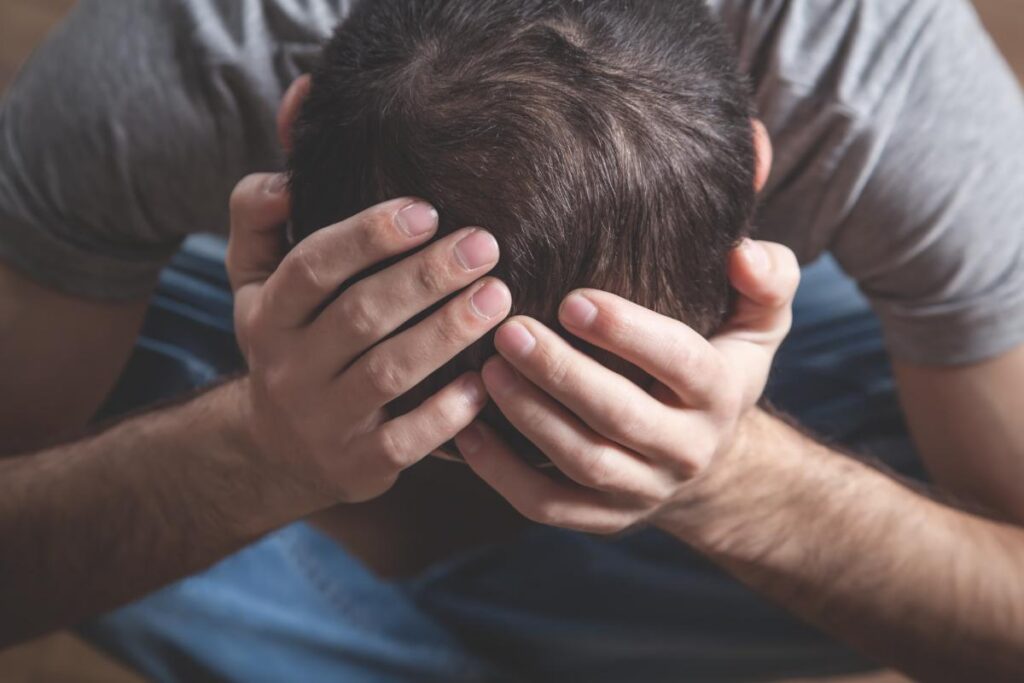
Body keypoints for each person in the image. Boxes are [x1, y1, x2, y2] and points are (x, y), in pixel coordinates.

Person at [0, 2, 1021, 682]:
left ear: (756, 172)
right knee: (107, 427)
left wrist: (736, 478)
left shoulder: (879, 76)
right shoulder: (170, 62)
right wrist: (252, 446)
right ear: (293, 122)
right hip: (249, 337)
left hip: (813, 331)